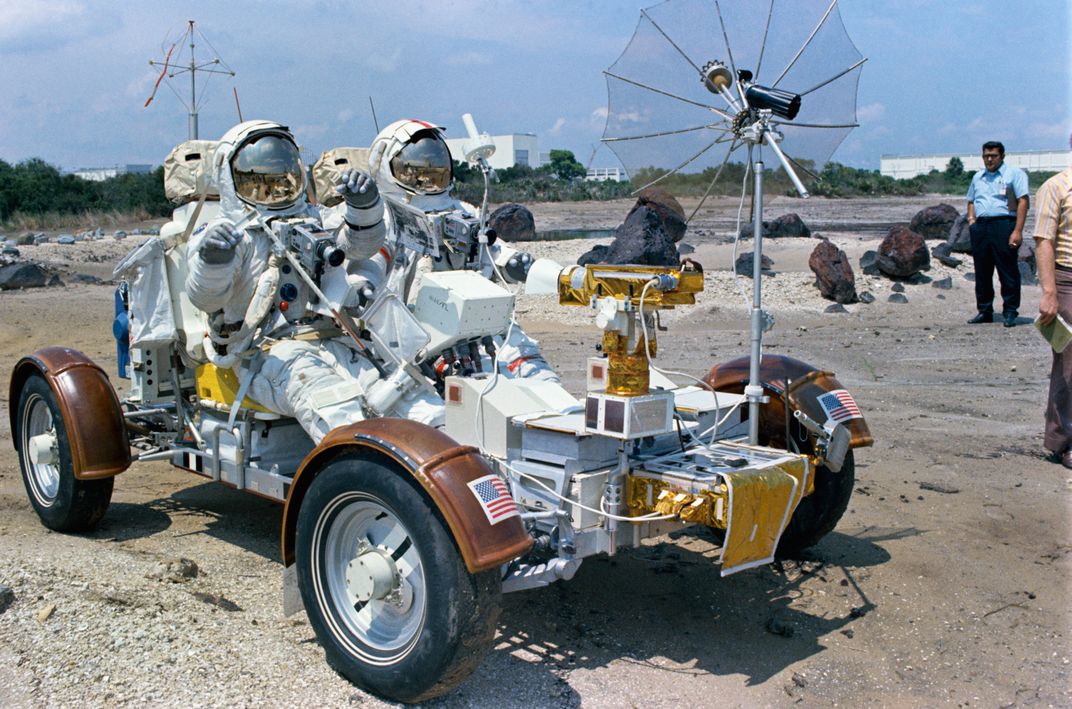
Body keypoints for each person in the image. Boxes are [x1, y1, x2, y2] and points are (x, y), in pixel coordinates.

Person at [185, 120, 443, 443]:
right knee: (338, 408)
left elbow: (359, 246)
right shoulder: (231, 237)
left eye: (283, 174)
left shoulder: (314, 217)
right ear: (231, 177)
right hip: (267, 352)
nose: (277, 184)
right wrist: (213, 261)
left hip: (336, 340)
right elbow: (205, 297)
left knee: (409, 393)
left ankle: (448, 464)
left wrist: (364, 209)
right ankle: (365, 477)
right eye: (264, 178)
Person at [322, 119, 560, 382]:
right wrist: (361, 285)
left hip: (472, 320)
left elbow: (493, 251)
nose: (426, 176)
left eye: (433, 167)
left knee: (524, 358)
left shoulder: (462, 211)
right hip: (409, 329)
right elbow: (369, 258)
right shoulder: (384, 218)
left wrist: (516, 263)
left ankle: (553, 408)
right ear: (388, 167)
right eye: (415, 169)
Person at [1033, 153, 1072, 470]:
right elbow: (1044, 240)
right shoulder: (1056, 187)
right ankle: (1063, 442)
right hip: (1067, 278)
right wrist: (1049, 292)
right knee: (1069, 361)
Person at [965, 141, 1030, 327]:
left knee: (1007, 270)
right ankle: (984, 310)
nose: (989, 159)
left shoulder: (1015, 174)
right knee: (982, 272)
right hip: (982, 227)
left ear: (1002, 156)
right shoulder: (978, 177)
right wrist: (972, 221)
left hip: (1004, 224)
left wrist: (1017, 231)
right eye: (986, 156)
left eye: (993, 155)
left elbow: (1023, 202)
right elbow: (971, 200)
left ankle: (1010, 311)